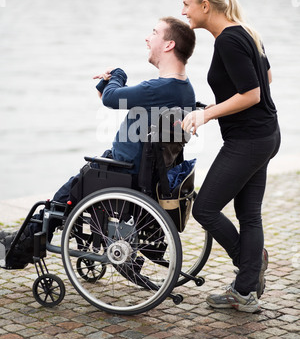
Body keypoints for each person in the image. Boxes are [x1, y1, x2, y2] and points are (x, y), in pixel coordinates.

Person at [0, 16, 196, 267]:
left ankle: (19, 249)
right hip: (141, 170)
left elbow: (111, 98)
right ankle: (21, 238)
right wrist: (110, 85)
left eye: (154, 33)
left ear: (168, 45)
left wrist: (117, 73)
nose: (147, 38)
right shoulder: (181, 88)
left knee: (64, 197)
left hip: (124, 173)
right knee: (70, 188)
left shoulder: (159, 88)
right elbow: (115, 95)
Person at [181, 0, 280, 313]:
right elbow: (265, 80)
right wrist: (216, 105)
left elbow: (251, 93)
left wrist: (208, 115)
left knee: (205, 208)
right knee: (248, 213)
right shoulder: (244, 31)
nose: (183, 12)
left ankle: (249, 272)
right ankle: (245, 290)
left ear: (205, 6)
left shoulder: (228, 39)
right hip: (265, 134)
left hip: (250, 140)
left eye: (187, 4)